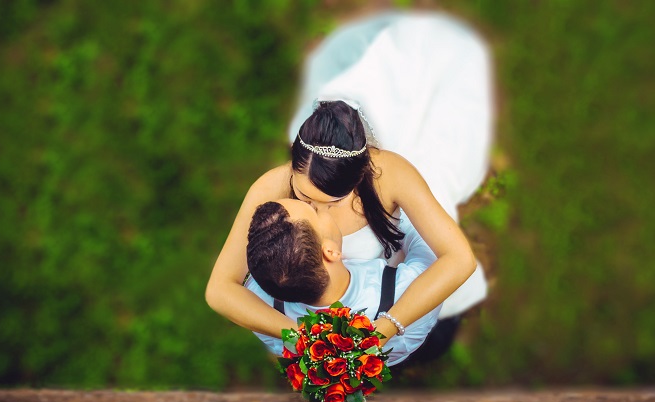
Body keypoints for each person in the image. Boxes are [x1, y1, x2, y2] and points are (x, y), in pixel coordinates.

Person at [205, 11, 492, 346]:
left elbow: (459, 259)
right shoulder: (271, 187)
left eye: (332, 202)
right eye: (303, 196)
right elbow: (220, 289)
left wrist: (382, 330)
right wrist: (303, 334)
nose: (317, 211)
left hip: (395, 303)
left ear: (359, 178)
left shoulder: (390, 174)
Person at [244, 199, 441, 366]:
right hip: (406, 355)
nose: (318, 203)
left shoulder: (256, 302)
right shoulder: (410, 289)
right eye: (314, 210)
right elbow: (426, 240)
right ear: (330, 251)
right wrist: (385, 208)